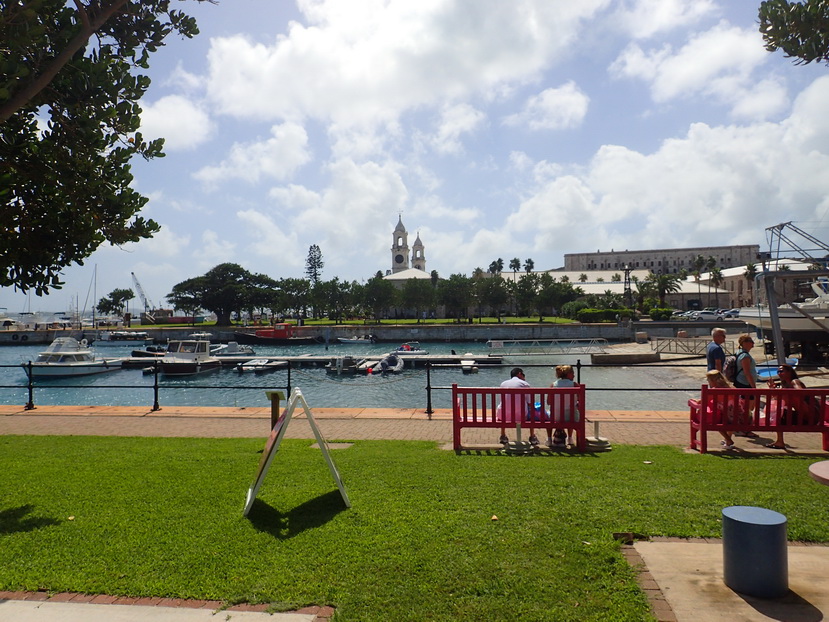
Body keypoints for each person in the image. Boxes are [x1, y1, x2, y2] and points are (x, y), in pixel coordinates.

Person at [689, 369, 736, 449]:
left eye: (708, 380)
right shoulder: (732, 388)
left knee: (716, 419)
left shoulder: (714, 391)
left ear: (712, 381)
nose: (708, 382)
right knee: (725, 416)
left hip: (725, 418)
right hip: (739, 417)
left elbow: (702, 402)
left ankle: (728, 439)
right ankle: (728, 439)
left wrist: (694, 401)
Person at [765, 363, 807, 449]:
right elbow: (777, 399)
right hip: (803, 415)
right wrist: (773, 389)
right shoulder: (786, 385)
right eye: (778, 371)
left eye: (781, 371)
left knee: (779, 415)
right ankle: (779, 441)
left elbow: (800, 392)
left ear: (789, 372)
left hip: (807, 416)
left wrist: (785, 392)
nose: (779, 373)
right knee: (780, 414)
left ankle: (780, 442)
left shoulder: (794, 382)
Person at [497, 367, 536, 446]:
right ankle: (532, 436)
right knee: (531, 410)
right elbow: (530, 402)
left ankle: (503, 435)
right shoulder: (525, 384)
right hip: (520, 416)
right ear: (519, 374)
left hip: (503, 416)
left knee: (504, 408)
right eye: (523, 374)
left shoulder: (503, 384)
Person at [732, 333, 759, 438]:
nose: (753, 344)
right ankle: (746, 429)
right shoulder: (745, 356)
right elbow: (747, 372)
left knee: (743, 407)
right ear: (745, 343)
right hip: (745, 384)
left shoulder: (739, 353)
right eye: (751, 342)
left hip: (740, 383)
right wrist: (753, 387)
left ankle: (741, 428)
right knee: (748, 407)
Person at [550, 365, 580, 447]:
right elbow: (581, 401)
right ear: (569, 374)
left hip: (557, 417)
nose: (574, 375)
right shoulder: (574, 385)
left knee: (551, 413)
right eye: (573, 373)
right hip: (571, 417)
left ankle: (549, 439)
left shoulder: (553, 385)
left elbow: (549, 402)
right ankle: (570, 438)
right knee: (572, 411)